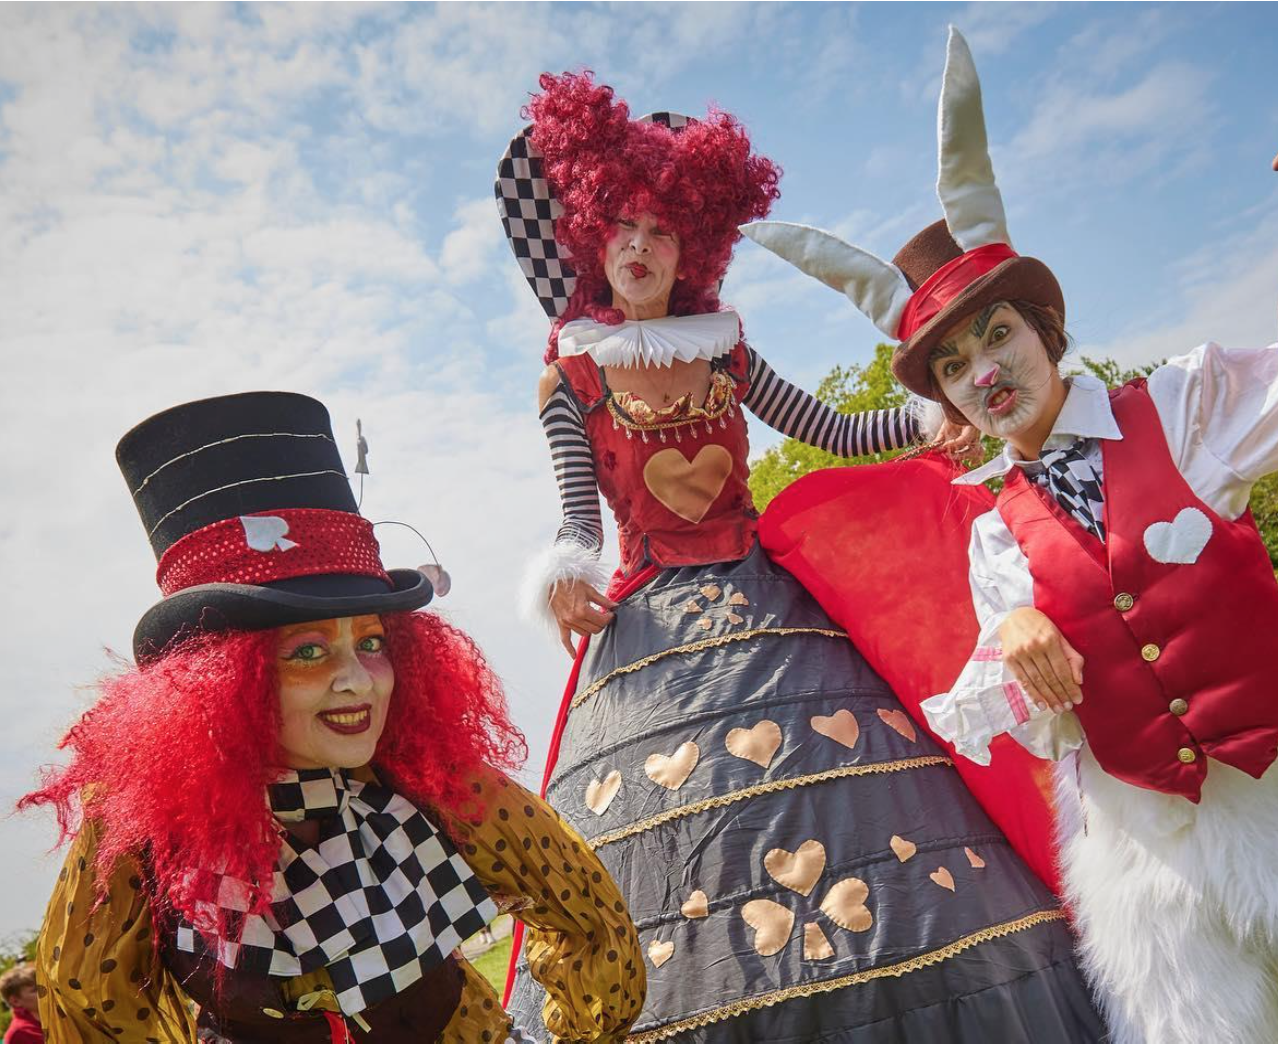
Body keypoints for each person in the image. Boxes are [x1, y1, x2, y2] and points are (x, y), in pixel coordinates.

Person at [746, 28, 1278, 1043]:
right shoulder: (996, 532)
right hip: (1152, 858)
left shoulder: (1186, 405)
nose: (985, 372)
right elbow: (1026, 698)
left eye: (996, 334)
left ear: (1045, 331)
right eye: (956, 365)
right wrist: (1011, 642)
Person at [497, 72, 1107, 1041]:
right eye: (621, 228)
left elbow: (824, 427)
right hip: (645, 622)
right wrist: (566, 577)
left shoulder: (727, 349)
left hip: (771, 604)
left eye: (661, 228)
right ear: (589, 243)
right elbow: (577, 512)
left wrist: (926, 419)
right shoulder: (568, 373)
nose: (642, 247)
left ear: (690, 244)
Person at [20, 392, 643, 1043]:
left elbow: (581, 907)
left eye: (371, 643)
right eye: (309, 652)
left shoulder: (429, 781)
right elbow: (89, 1001)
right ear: (218, 683)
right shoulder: (141, 822)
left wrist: (584, 1029)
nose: (357, 681)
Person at [0, 965, 43, 1044]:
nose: (44, 991)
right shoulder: (19, 1033)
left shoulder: (52, 1017)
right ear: (16, 1001)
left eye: (43, 986)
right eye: (35, 990)